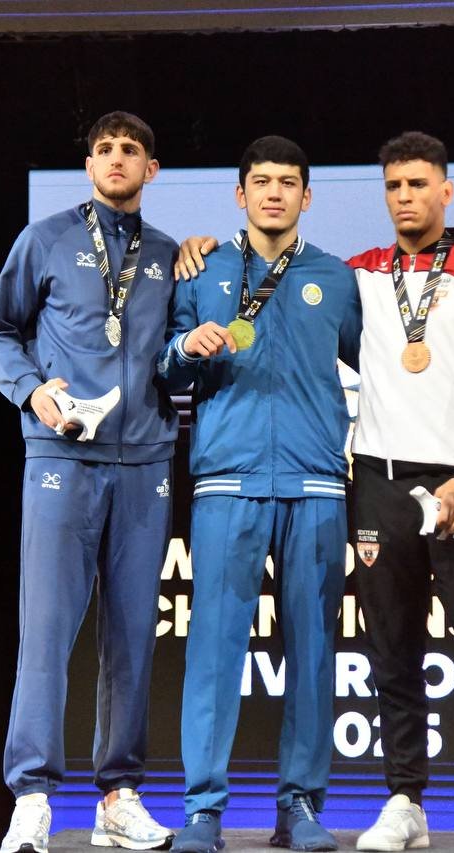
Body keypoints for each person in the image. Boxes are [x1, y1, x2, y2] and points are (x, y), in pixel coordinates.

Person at [0, 111, 179, 853]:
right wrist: (32, 391)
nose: (116, 159)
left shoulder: (168, 255)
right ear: (89, 166)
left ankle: (118, 797)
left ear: (151, 169)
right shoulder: (46, 239)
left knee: (132, 639)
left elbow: (178, 351)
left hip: (145, 461)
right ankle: (32, 796)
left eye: (131, 150)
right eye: (104, 149)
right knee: (47, 632)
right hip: (62, 459)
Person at [159, 135, 361, 853]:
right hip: (226, 481)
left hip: (316, 483)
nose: (274, 192)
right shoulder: (202, 268)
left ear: (307, 195)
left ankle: (300, 806)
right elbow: (166, 367)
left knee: (313, 650)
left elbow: (376, 372)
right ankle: (203, 810)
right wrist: (184, 348)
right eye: (262, 181)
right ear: (240, 193)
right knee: (213, 651)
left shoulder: (337, 278)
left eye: (288, 182)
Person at [345, 132, 454, 853]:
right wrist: (205, 245)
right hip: (379, 482)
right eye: (393, 185)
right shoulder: (360, 273)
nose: (404, 197)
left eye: (417, 184)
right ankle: (404, 800)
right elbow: (284, 280)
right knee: (391, 651)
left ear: (446, 190)